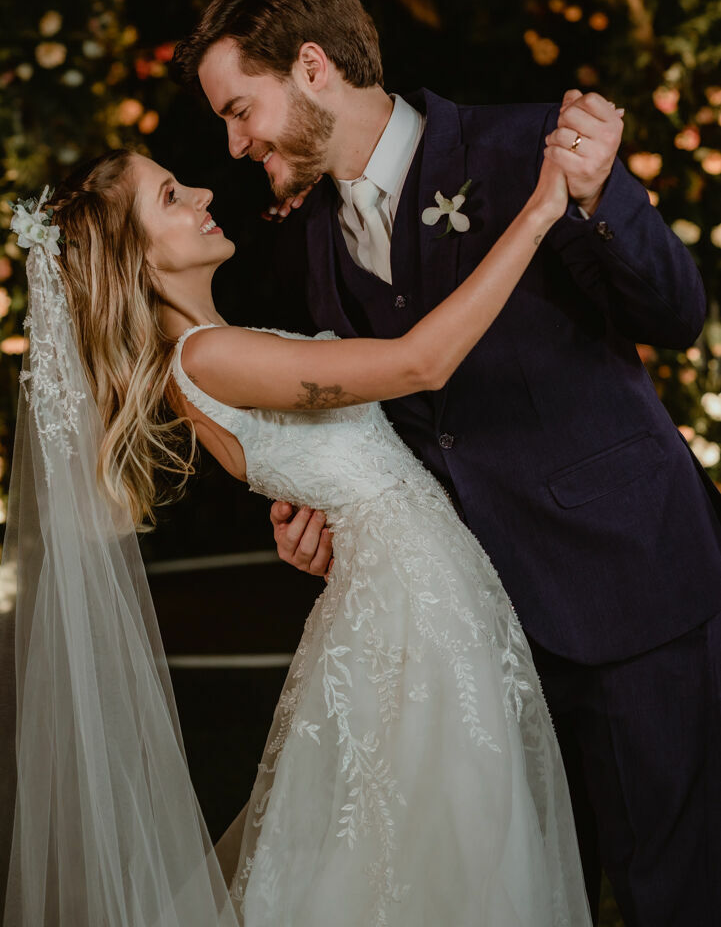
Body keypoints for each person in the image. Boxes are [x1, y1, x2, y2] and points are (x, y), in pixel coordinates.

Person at [171, 0, 721, 927]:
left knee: (669, 891)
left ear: (310, 66)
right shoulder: (313, 244)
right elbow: (397, 426)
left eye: (239, 108)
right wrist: (326, 517)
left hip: (628, 584)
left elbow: (675, 313)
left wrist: (599, 201)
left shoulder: (523, 147)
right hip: (483, 632)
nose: (235, 140)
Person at [0, 144, 591, 926]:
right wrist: (543, 205)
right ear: (135, 256)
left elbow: (317, 472)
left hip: (408, 597)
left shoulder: (210, 355)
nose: (204, 190)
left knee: (433, 845)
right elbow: (421, 362)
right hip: (410, 615)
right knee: (446, 846)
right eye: (172, 196)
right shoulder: (208, 356)